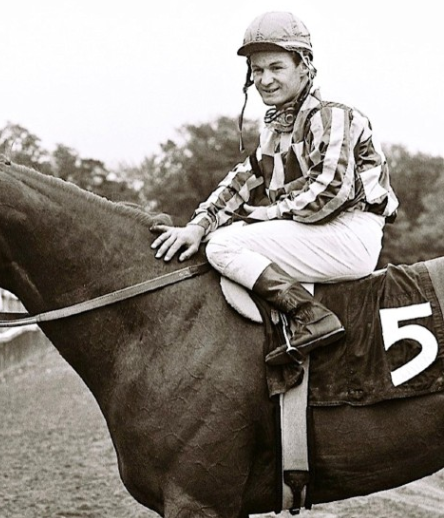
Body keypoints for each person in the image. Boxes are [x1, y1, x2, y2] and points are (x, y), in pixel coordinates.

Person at [150, 11, 398, 366]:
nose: (264, 79)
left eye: (276, 67)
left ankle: (310, 316)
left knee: (224, 245)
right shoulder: (275, 131)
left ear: (304, 66)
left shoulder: (332, 116)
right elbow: (243, 180)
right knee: (220, 237)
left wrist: (263, 215)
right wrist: (198, 224)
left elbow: (331, 191)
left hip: (350, 234)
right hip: (318, 233)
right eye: (257, 70)